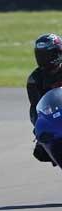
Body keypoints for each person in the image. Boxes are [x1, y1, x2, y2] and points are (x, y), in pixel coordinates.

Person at [27, 33, 62, 162]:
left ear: (58, 53)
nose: (43, 59)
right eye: (40, 55)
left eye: (46, 55)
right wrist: (38, 127)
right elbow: (34, 108)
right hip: (55, 121)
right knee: (41, 152)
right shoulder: (35, 79)